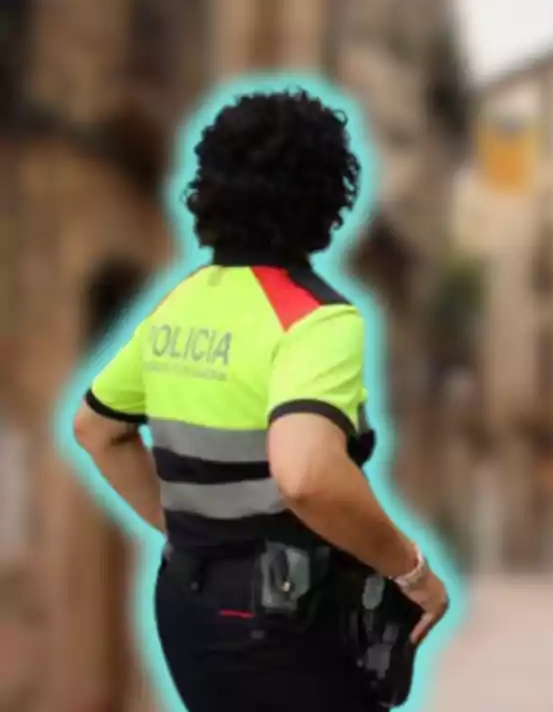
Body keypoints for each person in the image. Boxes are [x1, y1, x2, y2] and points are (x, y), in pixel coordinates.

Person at [71, 89, 450, 711]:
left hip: (185, 608)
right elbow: (306, 474)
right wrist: (412, 572)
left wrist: (189, 535)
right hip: (284, 622)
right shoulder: (317, 318)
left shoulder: (181, 302)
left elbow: (96, 428)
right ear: (328, 196)